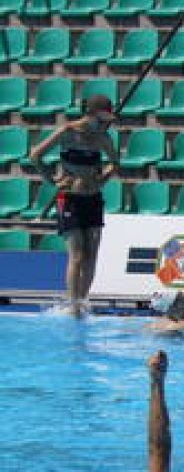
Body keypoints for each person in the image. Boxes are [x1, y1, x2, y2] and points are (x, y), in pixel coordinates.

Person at [28, 93, 119, 315]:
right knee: (77, 255)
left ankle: (82, 303)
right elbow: (35, 155)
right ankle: (72, 303)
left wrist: (102, 180)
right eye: (101, 119)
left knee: (91, 254)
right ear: (90, 115)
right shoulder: (67, 133)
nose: (105, 123)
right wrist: (52, 179)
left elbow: (115, 164)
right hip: (69, 199)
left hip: (93, 199)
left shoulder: (103, 139)